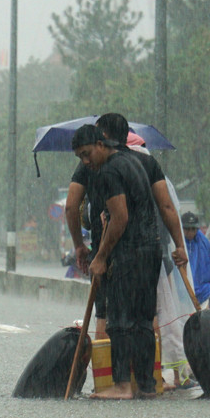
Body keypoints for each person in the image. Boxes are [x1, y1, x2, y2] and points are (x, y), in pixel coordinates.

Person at [71, 124, 161, 399]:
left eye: (87, 154)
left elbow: (120, 218)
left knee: (120, 321)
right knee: (144, 320)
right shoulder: (135, 160)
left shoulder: (109, 171)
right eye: (80, 158)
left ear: (101, 143)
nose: (86, 162)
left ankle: (122, 385)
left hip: (128, 253)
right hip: (150, 249)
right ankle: (146, 385)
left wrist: (100, 257)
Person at [182, 211, 210, 306]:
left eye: (193, 229)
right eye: (187, 229)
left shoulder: (203, 243)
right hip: (182, 295)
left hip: (204, 294)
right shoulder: (177, 244)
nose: (190, 233)